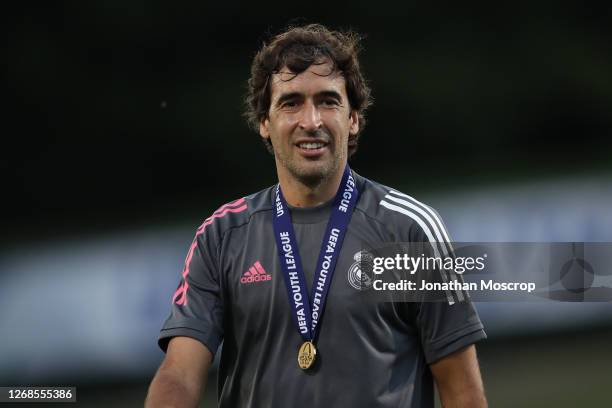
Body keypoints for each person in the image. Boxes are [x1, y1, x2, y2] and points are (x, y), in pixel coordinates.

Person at [146, 23, 487, 408]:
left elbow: (463, 392)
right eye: (291, 103)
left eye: (328, 101)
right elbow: (179, 373)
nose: (312, 121)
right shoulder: (222, 235)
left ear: (353, 118)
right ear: (264, 123)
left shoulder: (408, 229)